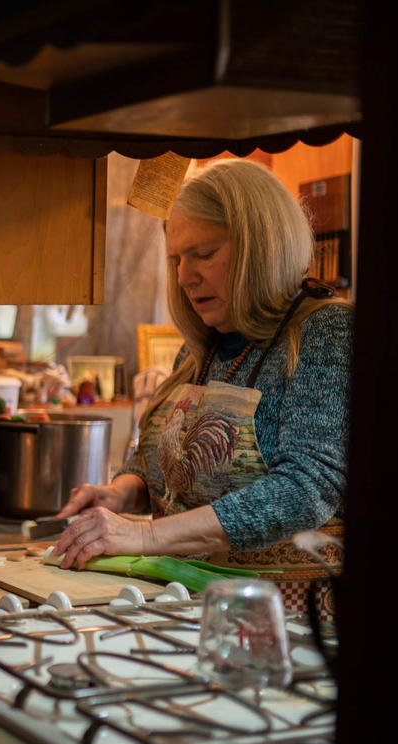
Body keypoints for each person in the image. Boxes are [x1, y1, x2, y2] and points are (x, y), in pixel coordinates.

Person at [53, 158, 352, 616]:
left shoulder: (325, 332)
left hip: (283, 619)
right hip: (183, 604)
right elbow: (165, 464)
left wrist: (146, 534)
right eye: (176, 258)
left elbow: (306, 489)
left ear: (262, 247)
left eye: (204, 253)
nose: (183, 276)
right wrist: (125, 490)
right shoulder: (201, 348)